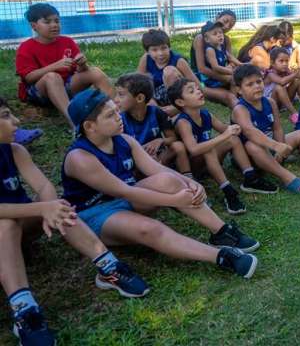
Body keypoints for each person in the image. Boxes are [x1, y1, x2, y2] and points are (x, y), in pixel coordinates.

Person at [60, 90, 259, 288]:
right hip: (96, 216)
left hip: (129, 200)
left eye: (116, 111)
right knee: (151, 229)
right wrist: (175, 200)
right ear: (89, 126)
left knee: (167, 179)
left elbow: (157, 169)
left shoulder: (124, 140)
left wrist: (190, 182)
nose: (119, 117)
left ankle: (222, 231)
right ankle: (223, 257)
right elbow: (123, 191)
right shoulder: (80, 158)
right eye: (110, 115)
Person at [0, 96, 149, 346]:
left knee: (62, 207)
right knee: (6, 224)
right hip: (6, 227)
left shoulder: (15, 150)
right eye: (5, 115)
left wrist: (51, 207)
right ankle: (24, 310)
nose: (15, 121)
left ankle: (109, 267)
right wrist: (42, 207)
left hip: (22, 223)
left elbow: (44, 185)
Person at [169, 78, 276, 215]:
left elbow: (225, 129)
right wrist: (225, 135)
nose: (198, 91)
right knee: (210, 148)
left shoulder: (206, 114)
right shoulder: (183, 122)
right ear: (180, 102)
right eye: (192, 91)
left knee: (233, 139)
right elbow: (193, 150)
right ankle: (228, 191)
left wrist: (238, 126)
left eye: (197, 88)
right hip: (192, 167)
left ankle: (250, 178)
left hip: (208, 163)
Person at [15, 3, 113, 125]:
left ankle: (116, 109)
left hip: (65, 87)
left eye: (56, 21)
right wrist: (55, 66)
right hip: (39, 93)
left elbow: (80, 71)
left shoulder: (67, 41)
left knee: (94, 71)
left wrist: (82, 65)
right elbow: (29, 77)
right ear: (34, 26)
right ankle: (74, 122)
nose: (54, 25)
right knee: (52, 77)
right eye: (47, 22)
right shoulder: (26, 47)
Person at [114, 73, 192, 178]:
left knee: (178, 146)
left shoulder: (157, 113)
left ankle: (188, 177)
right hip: (136, 161)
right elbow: (120, 150)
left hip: (159, 158)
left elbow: (173, 138)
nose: (115, 99)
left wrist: (160, 141)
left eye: (121, 94)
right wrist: (142, 157)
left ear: (140, 98)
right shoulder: (119, 120)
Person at [136, 28, 197, 113]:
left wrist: (183, 103)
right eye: (154, 50)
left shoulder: (178, 61)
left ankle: (178, 107)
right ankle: (159, 111)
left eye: (163, 48)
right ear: (147, 51)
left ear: (169, 47)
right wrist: (150, 100)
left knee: (169, 71)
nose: (160, 53)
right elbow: (138, 83)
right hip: (156, 96)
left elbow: (196, 84)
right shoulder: (146, 59)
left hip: (177, 96)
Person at [190, 11, 238, 108]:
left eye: (231, 25)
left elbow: (231, 60)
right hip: (203, 81)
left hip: (223, 77)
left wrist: (231, 66)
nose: (227, 26)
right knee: (230, 97)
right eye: (225, 21)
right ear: (217, 17)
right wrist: (225, 77)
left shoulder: (226, 40)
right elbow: (202, 69)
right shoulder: (201, 38)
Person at [264, 46, 300, 124]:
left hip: (281, 102)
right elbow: (282, 82)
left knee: (298, 81)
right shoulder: (270, 73)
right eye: (281, 61)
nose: (285, 64)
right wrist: (294, 74)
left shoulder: (285, 70)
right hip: (270, 104)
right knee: (279, 87)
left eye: (287, 61)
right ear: (272, 63)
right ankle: (294, 113)